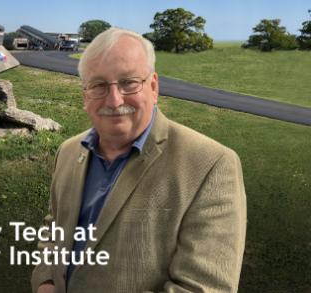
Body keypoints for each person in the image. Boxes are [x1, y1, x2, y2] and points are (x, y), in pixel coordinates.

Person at [31, 28, 246, 292]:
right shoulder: (68, 151)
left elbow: (203, 287)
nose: (114, 100)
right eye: (99, 85)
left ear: (153, 87)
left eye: (128, 82)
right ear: (85, 96)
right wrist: (46, 281)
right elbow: (54, 228)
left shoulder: (212, 164)